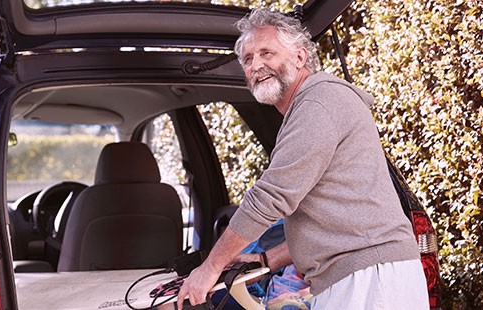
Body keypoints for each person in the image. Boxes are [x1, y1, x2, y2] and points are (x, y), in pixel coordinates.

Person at [176, 8, 429, 310]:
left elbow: (270, 197)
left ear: (299, 57)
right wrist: (267, 259)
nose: (256, 65)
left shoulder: (318, 104)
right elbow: (328, 222)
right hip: (361, 277)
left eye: (267, 53)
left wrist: (210, 269)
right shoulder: (309, 108)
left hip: (369, 280)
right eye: (247, 59)